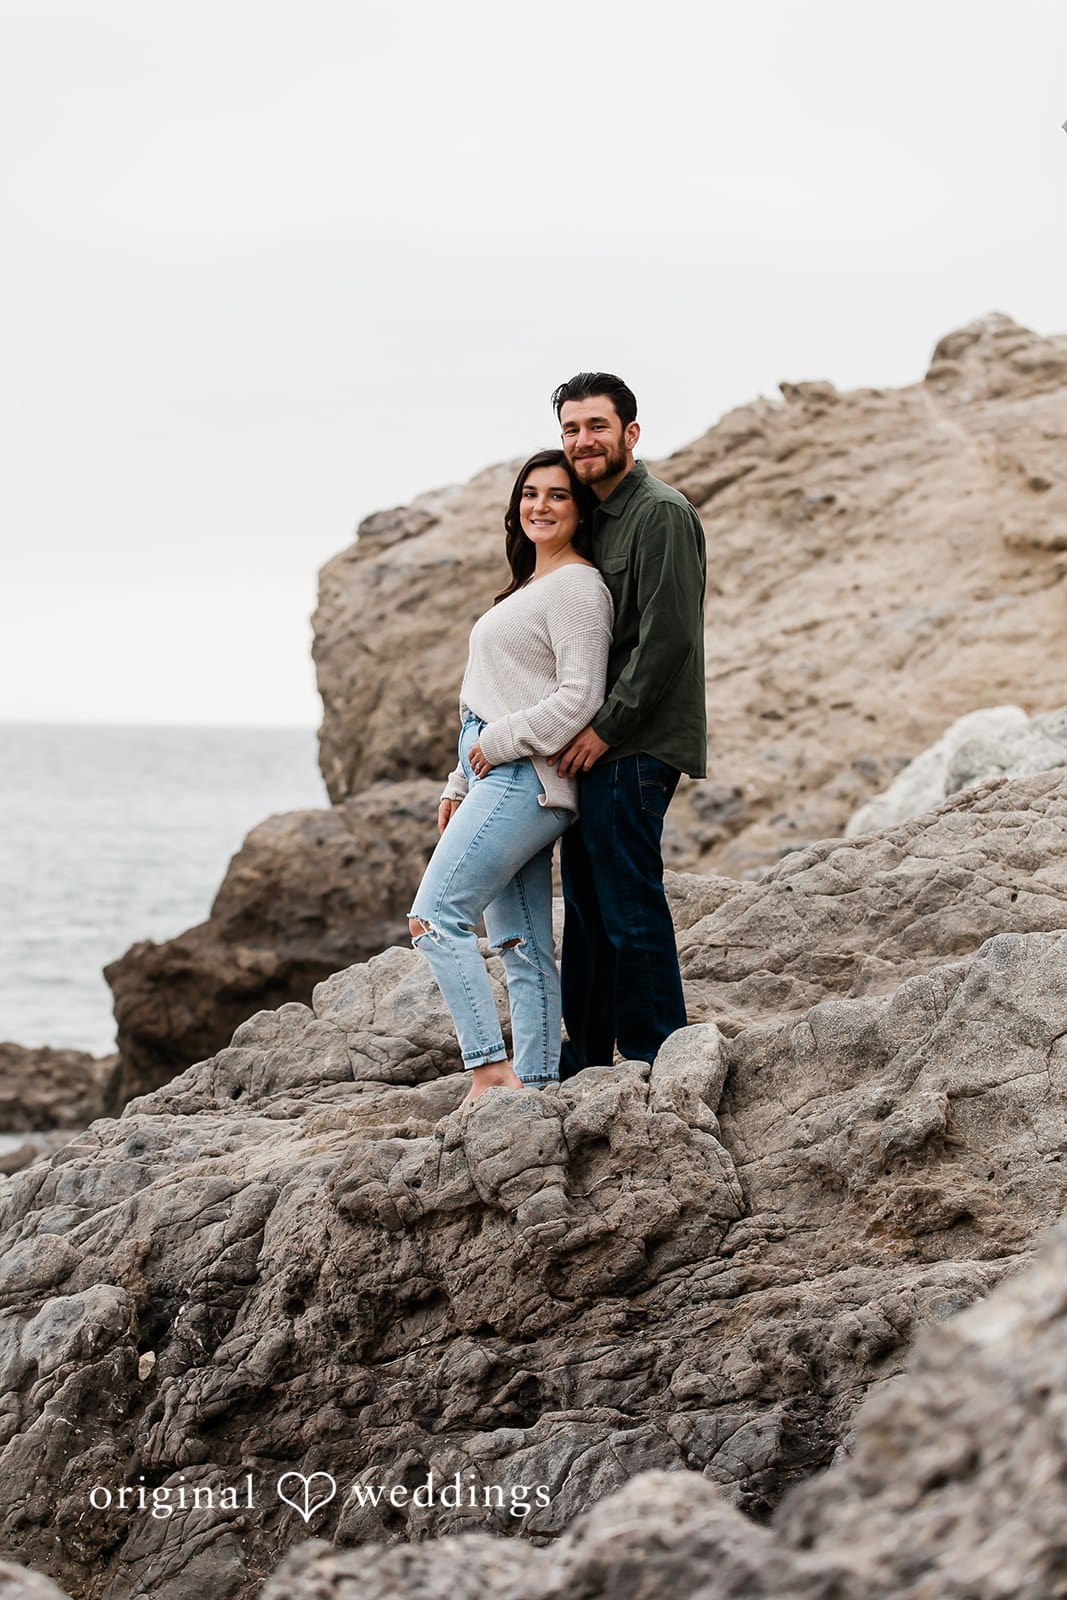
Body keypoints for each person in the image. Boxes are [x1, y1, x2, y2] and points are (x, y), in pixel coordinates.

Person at [408, 448, 614, 1102]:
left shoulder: (578, 586)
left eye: (557, 495)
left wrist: (494, 746)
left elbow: (581, 696)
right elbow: (490, 692)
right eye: (530, 494)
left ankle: (489, 1074)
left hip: (526, 776)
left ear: (579, 511)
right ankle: (535, 1084)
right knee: (521, 943)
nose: (540, 506)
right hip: (498, 774)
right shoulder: (530, 587)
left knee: (434, 918)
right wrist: (458, 783)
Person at [548, 372, 707, 1076]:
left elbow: (667, 639)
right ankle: (584, 1056)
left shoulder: (659, 513)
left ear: (630, 434)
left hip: (633, 743)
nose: (582, 441)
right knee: (584, 907)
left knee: (626, 901)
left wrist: (605, 729)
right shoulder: (594, 515)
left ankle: (656, 1050)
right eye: (570, 429)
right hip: (592, 745)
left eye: (596, 426)